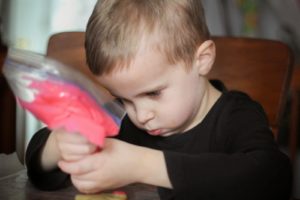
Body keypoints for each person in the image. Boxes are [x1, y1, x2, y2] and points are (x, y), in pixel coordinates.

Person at [25, 0, 292, 199]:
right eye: (123, 98)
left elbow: (272, 177)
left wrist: (140, 164)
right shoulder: (122, 116)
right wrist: (58, 146)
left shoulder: (236, 115)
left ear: (201, 60)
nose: (140, 115)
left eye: (153, 93)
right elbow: (38, 165)